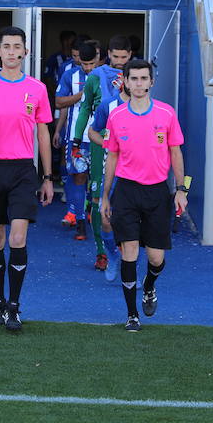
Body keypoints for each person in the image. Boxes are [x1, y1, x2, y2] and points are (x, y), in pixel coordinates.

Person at [0, 26, 54, 332]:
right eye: (7, 47)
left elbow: (43, 133)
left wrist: (48, 176)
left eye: (18, 47)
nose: (12, 51)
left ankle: (14, 307)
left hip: (22, 172)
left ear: (25, 52)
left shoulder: (37, 89)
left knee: (18, 238)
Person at [101, 60, 187, 332]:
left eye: (143, 78)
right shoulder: (116, 117)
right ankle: (131, 315)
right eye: (134, 79)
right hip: (126, 191)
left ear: (151, 82)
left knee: (155, 258)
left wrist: (182, 189)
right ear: (125, 82)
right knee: (129, 251)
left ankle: (149, 287)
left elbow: (176, 153)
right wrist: (105, 196)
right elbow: (112, 156)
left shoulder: (166, 113)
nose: (139, 83)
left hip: (157, 192)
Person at [72, 35, 132, 271]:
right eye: (115, 57)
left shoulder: (136, 76)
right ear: (108, 54)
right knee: (98, 200)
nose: (119, 61)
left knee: (126, 200)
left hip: (129, 146)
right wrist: (77, 140)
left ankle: (125, 248)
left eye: (124, 57)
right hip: (101, 145)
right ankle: (102, 251)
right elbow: (85, 107)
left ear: (130, 56)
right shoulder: (96, 76)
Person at [84, 70, 130, 278]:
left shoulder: (152, 108)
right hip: (111, 170)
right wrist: (108, 145)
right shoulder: (108, 105)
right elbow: (92, 131)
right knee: (105, 218)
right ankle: (112, 254)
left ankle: (130, 271)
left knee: (133, 223)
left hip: (137, 174)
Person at [54, 42, 98, 241]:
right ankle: (80, 222)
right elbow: (59, 102)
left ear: (98, 59)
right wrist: (82, 95)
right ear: (78, 59)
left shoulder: (108, 76)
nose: (88, 68)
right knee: (79, 178)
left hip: (101, 138)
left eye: (91, 63)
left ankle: (98, 220)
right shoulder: (69, 75)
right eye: (84, 63)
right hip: (76, 138)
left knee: (100, 181)